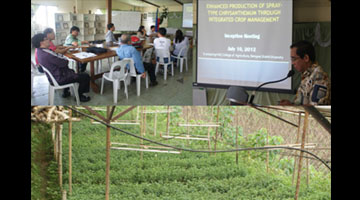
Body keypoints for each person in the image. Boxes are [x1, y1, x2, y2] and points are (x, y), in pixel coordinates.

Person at [32, 33, 91, 102]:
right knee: (85, 76)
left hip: (54, 76)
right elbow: (64, 63)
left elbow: (58, 58)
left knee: (71, 70)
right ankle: (80, 96)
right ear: (41, 42)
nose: (49, 40)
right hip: (59, 78)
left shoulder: (40, 51)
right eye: (46, 39)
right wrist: (64, 58)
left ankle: (66, 92)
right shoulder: (46, 55)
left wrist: (62, 57)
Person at [279, 40, 330, 105]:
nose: (292, 63)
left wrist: (292, 107)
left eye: (294, 59)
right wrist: (291, 104)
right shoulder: (307, 76)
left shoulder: (319, 76)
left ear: (306, 58)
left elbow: (314, 109)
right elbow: (303, 103)